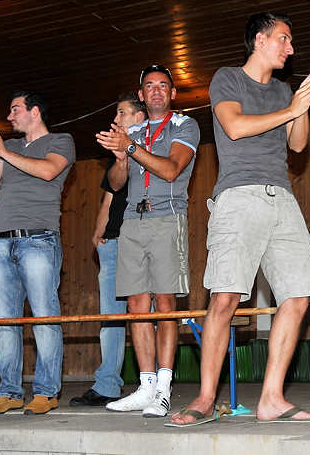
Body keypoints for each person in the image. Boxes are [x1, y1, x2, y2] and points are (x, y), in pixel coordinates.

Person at [171, 12, 310, 426]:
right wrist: (291, 107)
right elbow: (235, 127)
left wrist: (302, 106)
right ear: (259, 39)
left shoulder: (283, 90)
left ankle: (272, 398)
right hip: (238, 196)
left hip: (282, 198)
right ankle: (205, 398)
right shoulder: (228, 79)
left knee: (299, 294)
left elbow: (298, 145)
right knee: (224, 298)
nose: (290, 48)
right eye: (284, 38)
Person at [95, 65, 199, 417]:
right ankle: (145, 386)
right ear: (141, 95)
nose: (156, 90)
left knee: (165, 302)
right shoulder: (133, 131)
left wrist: (130, 147)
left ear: (172, 93)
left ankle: (164, 389)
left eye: (163, 86)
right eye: (149, 86)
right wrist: (121, 158)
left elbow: (170, 170)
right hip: (131, 221)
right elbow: (116, 182)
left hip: (167, 218)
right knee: (136, 305)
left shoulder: (185, 125)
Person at [0, 91, 76, 415]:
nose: (9, 116)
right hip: (0, 242)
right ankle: (9, 392)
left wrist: (4, 151)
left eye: (14, 109)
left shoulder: (61, 141)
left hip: (39, 239)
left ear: (35, 111)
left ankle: (46, 392)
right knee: (4, 321)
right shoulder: (9, 146)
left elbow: (48, 171)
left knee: (44, 317)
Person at [70, 95, 147, 407]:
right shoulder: (117, 156)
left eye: (122, 112)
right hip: (113, 243)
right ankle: (107, 386)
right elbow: (110, 198)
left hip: (143, 240)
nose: (116, 118)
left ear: (140, 117)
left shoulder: (153, 147)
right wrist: (98, 234)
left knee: (148, 315)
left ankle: (153, 383)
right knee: (111, 317)